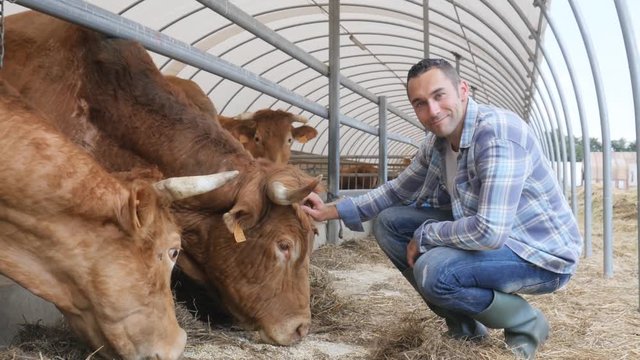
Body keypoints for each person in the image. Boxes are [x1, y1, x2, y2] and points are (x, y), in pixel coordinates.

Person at [302, 58, 583, 359]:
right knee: (389, 223)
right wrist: (329, 211)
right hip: (497, 238)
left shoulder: (497, 135)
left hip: (538, 254)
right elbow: (396, 191)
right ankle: (465, 326)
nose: (432, 111)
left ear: (463, 90)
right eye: (420, 103)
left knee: (435, 272)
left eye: (439, 96)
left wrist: (427, 234)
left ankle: (525, 321)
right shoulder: (437, 143)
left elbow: (489, 232)